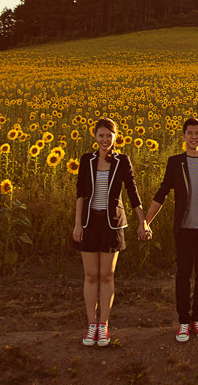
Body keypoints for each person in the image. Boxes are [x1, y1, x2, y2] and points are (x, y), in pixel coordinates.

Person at [140, 117, 198, 343]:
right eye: (190, 133)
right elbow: (163, 193)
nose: (194, 137)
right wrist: (146, 221)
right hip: (184, 229)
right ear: (184, 136)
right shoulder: (175, 162)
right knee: (183, 275)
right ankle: (183, 322)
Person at [72, 117, 142, 348]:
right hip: (90, 223)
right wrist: (77, 224)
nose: (105, 140)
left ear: (115, 137)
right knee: (91, 276)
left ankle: (103, 324)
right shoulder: (87, 160)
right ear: (95, 136)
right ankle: (91, 324)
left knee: (107, 276)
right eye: (101, 135)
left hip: (113, 224)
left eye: (108, 135)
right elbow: (81, 192)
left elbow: (132, 192)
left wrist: (143, 222)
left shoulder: (122, 161)